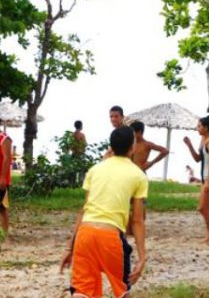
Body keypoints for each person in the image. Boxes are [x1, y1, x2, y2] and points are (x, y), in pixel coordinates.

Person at [59, 126, 148, 298]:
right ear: (133, 147)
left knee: (81, 292)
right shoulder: (138, 176)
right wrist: (142, 257)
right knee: (122, 290)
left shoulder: (95, 170)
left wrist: (70, 247)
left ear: (111, 147)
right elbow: (137, 220)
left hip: (85, 235)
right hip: (110, 237)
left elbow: (84, 210)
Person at [184, 115, 209, 245]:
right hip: (205, 177)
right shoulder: (203, 140)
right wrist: (189, 146)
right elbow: (197, 159)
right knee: (206, 208)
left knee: (203, 208)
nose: (197, 128)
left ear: (206, 128)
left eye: (199, 126)